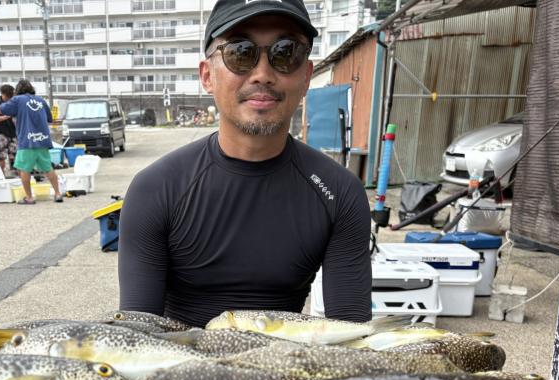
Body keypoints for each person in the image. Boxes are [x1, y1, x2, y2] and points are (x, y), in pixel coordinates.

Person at [118, 0, 372, 328]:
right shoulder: (155, 189)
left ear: (307, 76)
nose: (263, 74)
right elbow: (137, 336)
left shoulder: (340, 193)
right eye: (241, 53)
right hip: (177, 371)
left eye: (286, 53)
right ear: (207, 75)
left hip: (288, 369)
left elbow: (351, 338)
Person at [0, 79, 63, 204]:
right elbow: (49, 119)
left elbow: (0, 110)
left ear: (18, 90)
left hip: (27, 141)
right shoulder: (41, 100)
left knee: (23, 169)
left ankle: (29, 197)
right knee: (48, 168)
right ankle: (58, 194)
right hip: (43, 140)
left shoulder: (18, 100)